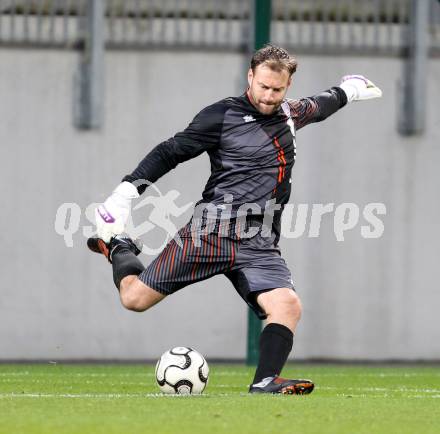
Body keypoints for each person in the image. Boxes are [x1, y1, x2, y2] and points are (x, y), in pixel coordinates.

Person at [88, 44, 382, 395]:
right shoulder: (222, 116)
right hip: (209, 232)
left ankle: (265, 381)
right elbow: (170, 152)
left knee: (287, 305)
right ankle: (118, 245)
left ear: (287, 86)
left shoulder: (289, 114)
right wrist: (124, 195)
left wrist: (349, 89)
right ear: (250, 77)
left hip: (258, 242)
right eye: (264, 87)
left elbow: (322, 105)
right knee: (134, 299)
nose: (269, 96)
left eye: (278, 89)